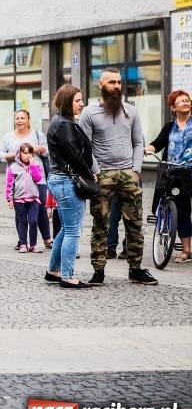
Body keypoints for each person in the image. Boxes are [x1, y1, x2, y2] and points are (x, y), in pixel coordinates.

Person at [78, 67, 157, 286]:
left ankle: (136, 268)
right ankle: (98, 271)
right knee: (101, 224)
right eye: (111, 82)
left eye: (119, 82)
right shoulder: (89, 112)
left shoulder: (130, 110)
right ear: (101, 85)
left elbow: (138, 141)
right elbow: (86, 146)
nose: (116, 86)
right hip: (102, 174)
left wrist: (136, 170)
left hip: (128, 175)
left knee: (135, 224)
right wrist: (96, 171)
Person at [46, 85, 97, 289]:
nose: (82, 103)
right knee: (73, 231)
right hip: (67, 181)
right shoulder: (64, 124)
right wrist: (89, 173)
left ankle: (53, 270)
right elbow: (74, 155)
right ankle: (68, 276)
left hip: (59, 179)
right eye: (77, 100)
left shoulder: (59, 121)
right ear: (68, 102)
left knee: (66, 228)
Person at [144, 90, 192, 263]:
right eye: (181, 101)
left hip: (191, 170)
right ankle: (186, 250)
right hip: (175, 173)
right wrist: (147, 149)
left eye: (187, 100)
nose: (186, 103)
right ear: (173, 107)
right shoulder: (169, 126)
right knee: (182, 210)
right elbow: (158, 142)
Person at [0, 109, 53, 250]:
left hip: (37, 177)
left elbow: (48, 152)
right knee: (20, 210)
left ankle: (47, 238)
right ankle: (22, 241)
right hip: (18, 178)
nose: (20, 121)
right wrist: (12, 156)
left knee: (41, 207)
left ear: (28, 119)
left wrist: (39, 149)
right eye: (17, 118)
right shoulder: (8, 137)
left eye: (23, 118)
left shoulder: (37, 135)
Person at [5, 143, 44, 253]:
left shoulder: (36, 166)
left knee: (33, 221)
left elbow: (38, 179)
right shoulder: (13, 168)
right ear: (19, 154)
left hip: (33, 199)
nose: (28, 155)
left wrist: (32, 166)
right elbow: (9, 184)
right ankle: (23, 244)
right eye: (25, 153)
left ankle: (33, 244)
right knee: (22, 222)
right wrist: (9, 199)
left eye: (30, 153)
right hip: (19, 199)